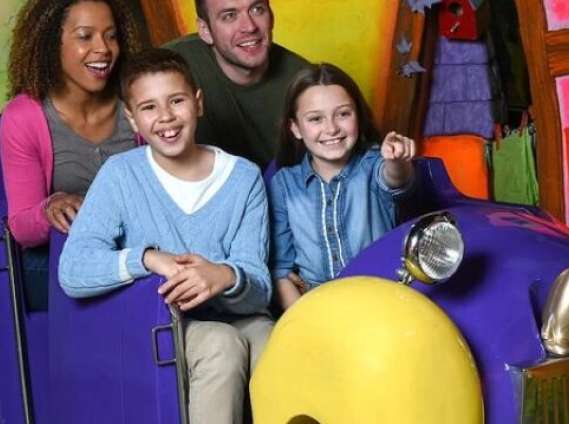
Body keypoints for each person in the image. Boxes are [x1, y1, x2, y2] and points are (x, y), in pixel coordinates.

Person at [58, 48, 273, 424]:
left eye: (176, 101)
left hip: (234, 313)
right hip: (156, 321)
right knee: (221, 346)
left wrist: (225, 275)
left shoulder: (243, 177)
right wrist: (146, 258)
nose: (166, 117)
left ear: (199, 103)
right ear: (132, 119)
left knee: (275, 343)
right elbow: (73, 270)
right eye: (149, 108)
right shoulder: (121, 175)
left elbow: (259, 285)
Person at [0, 0, 142, 310]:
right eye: (85, 36)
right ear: (54, 43)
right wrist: (50, 207)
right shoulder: (24, 116)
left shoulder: (137, 100)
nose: (103, 48)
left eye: (111, 35)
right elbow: (22, 227)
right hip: (63, 255)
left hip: (136, 249)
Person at [268, 63, 417, 310]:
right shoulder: (284, 184)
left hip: (381, 300)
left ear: (358, 115)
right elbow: (280, 271)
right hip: (316, 307)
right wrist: (302, 321)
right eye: (315, 118)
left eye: (343, 114)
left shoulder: (374, 165)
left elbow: (396, 181)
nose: (332, 128)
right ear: (295, 128)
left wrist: (398, 160)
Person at [164, 0, 308, 169]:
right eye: (230, 16)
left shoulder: (305, 84)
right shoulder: (170, 67)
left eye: (257, 9)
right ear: (205, 30)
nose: (249, 27)